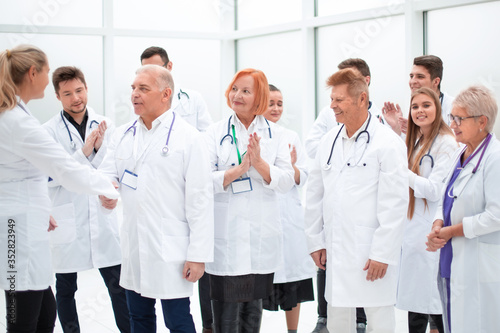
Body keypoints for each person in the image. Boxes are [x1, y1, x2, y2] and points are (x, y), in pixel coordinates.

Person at [0, 45, 119, 333]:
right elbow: (64, 170)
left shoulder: (17, 115)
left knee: (44, 312)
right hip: (18, 229)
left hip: (28, 223)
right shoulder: (17, 122)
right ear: (33, 73)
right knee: (21, 315)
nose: (74, 97)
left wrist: (41, 209)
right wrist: (110, 186)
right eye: (46, 71)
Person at [98, 64, 214, 332]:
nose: (135, 94)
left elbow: (200, 201)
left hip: (171, 247)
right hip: (134, 244)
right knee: (138, 319)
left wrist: (198, 255)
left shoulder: (189, 138)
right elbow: (106, 173)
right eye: (133, 88)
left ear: (165, 94)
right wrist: (107, 192)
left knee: (178, 320)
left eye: (143, 88)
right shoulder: (123, 134)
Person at [305, 68, 408, 333]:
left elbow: (395, 204)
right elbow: (315, 194)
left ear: (362, 99)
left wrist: (383, 253)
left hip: (370, 251)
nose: (332, 106)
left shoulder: (387, 142)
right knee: (338, 318)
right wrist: (315, 241)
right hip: (336, 249)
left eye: (339, 100)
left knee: (379, 320)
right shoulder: (329, 141)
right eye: (332, 100)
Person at [204, 68, 294, 332]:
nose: (237, 95)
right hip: (226, 234)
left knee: (252, 312)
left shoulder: (277, 134)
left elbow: (288, 181)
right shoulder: (214, 132)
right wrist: (239, 170)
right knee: (225, 315)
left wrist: (259, 164)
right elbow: (202, 181)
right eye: (234, 89)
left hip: (259, 234)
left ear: (260, 97)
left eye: (246, 91)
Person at [43, 66, 130, 333]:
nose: (75, 98)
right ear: (58, 96)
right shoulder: (48, 131)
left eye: (79, 91)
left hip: (103, 220)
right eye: (67, 93)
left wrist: (113, 195)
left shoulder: (107, 125)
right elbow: (50, 176)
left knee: (118, 285)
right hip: (69, 218)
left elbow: (115, 169)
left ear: (86, 88)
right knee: (66, 288)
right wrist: (83, 152)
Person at [426, 85, 500, 333]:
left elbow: (496, 216)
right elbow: (444, 199)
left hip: (476, 263)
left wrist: (452, 231)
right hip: (450, 259)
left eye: (460, 118)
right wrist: (438, 224)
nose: (453, 123)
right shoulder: (461, 152)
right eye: (452, 117)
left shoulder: (495, 158)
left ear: (482, 121)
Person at [396, 87, 458, 333]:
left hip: (430, 230)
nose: (420, 111)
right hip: (412, 233)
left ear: (438, 108)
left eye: (426, 105)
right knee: (416, 306)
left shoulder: (447, 142)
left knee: (435, 307)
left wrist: (402, 173)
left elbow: (434, 190)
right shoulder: (417, 140)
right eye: (415, 107)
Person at [262, 84, 315, 333]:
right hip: (261, 217)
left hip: (288, 217)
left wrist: (291, 167)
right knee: (257, 285)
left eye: (280, 103)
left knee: (292, 283)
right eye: (271, 103)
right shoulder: (250, 135)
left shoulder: (290, 136)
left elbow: (303, 176)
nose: (276, 108)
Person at [305, 58, 385, 161]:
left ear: (366, 80)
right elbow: (311, 147)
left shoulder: (382, 119)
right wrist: (341, 151)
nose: (333, 105)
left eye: (349, 77)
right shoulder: (328, 115)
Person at [140, 46, 213, 131]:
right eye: (146, 70)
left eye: (156, 69)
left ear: (169, 66)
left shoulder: (194, 99)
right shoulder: (140, 102)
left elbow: (207, 133)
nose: (151, 75)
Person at [383, 55, 454, 136]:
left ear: (436, 82)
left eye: (420, 77)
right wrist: (397, 128)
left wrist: (421, 133)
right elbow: (406, 146)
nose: (412, 81)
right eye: (411, 76)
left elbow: (457, 145)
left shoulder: (453, 108)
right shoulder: (412, 110)